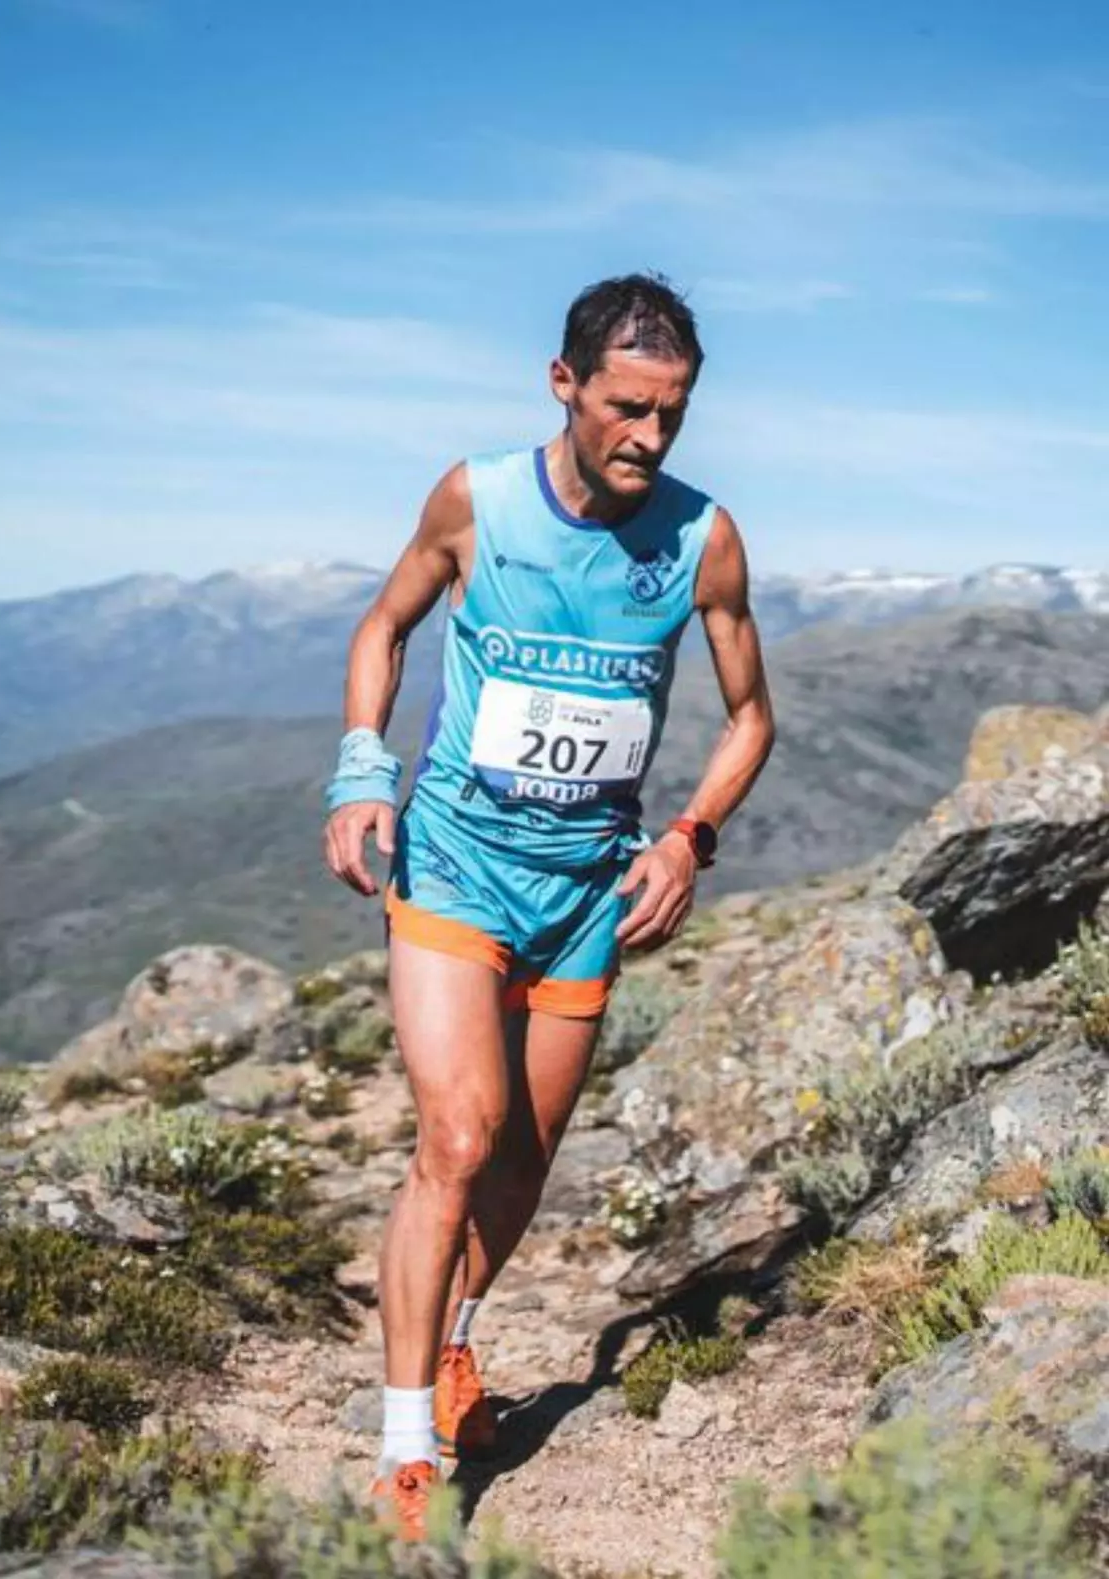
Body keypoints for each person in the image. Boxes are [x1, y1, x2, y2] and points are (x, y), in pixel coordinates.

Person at [322, 273, 775, 1540]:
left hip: (589, 892)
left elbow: (752, 719)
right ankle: (408, 1450)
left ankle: (455, 1337)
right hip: (459, 864)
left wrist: (689, 837)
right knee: (457, 1141)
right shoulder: (478, 498)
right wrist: (364, 771)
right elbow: (384, 624)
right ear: (564, 382)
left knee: (521, 1160)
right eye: (626, 407)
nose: (649, 437)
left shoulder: (704, 539)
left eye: (672, 414)